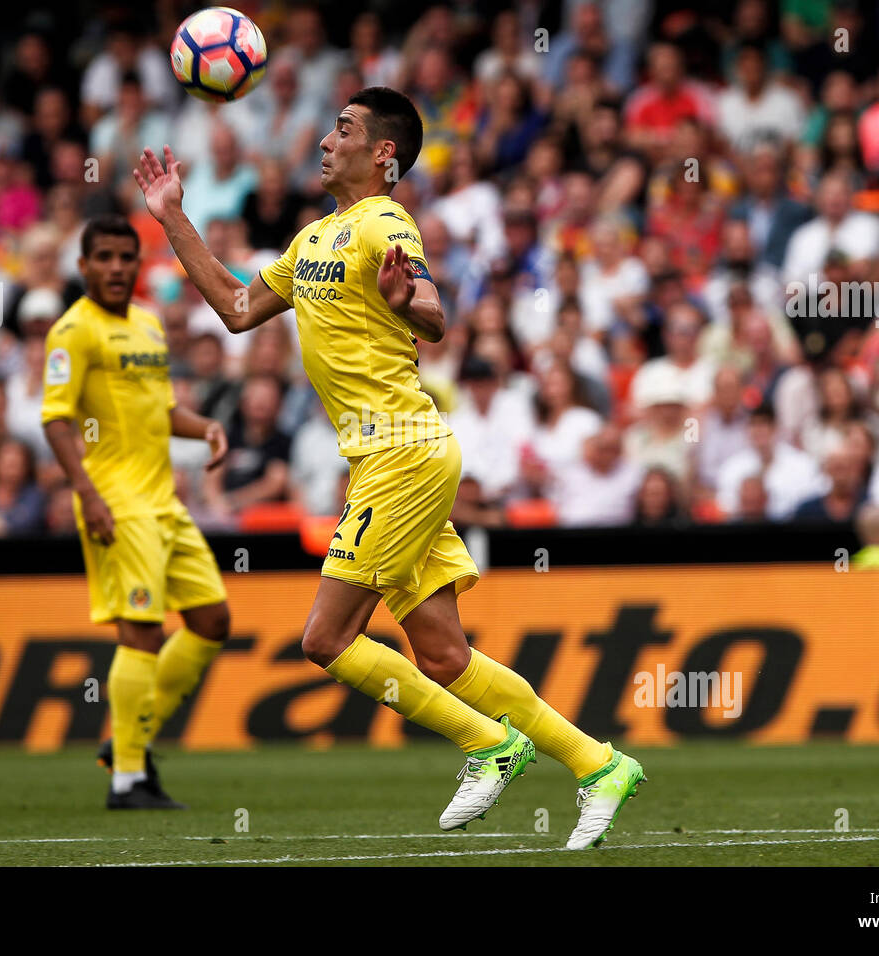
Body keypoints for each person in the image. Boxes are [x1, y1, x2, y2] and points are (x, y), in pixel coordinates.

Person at [132, 86, 645, 849]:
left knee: (325, 641)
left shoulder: (386, 223)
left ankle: (490, 745)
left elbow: (436, 318)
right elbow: (237, 309)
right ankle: (599, 763)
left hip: (402, 451)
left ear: (382, 154)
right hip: (386, 457)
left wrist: (408, 304)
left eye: (343, 129)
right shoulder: (313, 240)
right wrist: (172, 215)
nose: (324, 140)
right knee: (442, 654)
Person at [40, 216, 232, 810]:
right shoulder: (72, 332)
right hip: (117, 505)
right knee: (142, 633)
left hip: (164, 503)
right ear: (84, 267)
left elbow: (162, 410)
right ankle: (127, 779)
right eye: (105, 257)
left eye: (127, 257)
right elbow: (56, 418)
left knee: (212, 621)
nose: (118, 267)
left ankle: (129, 740)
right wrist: (87, 493)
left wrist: (206, 429)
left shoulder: (150, 323)